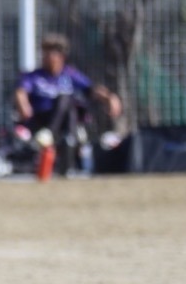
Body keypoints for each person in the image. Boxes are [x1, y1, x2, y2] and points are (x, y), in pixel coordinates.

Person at [14, 32, 120, 177]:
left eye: (50, 54)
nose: (45, 58)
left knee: (68, 103)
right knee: (65, 102)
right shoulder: (34, 76)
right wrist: (23, 105)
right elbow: (21, 92)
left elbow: (92, 89)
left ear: (61, 57)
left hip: (65, 123)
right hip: (39, 120)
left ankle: (64, 150)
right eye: (44, 54)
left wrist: (110, 97)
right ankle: (52, 137)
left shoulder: (69, 74)